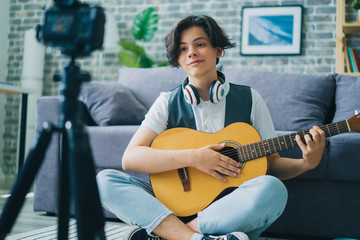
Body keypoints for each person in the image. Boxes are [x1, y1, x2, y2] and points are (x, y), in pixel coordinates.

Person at [96, 15, 325, 240]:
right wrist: (194, 157)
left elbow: (271, 164)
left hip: (228, 212)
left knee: (273, 189)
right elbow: (131, 158)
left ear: (218, 50)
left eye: (200, 44)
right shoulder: (167, 102)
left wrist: (307, 163)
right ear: (178, 59)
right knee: (104, 181)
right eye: (183, 49)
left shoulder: (250, 99)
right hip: (173, 205)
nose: (192, 53)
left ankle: (171, 233)